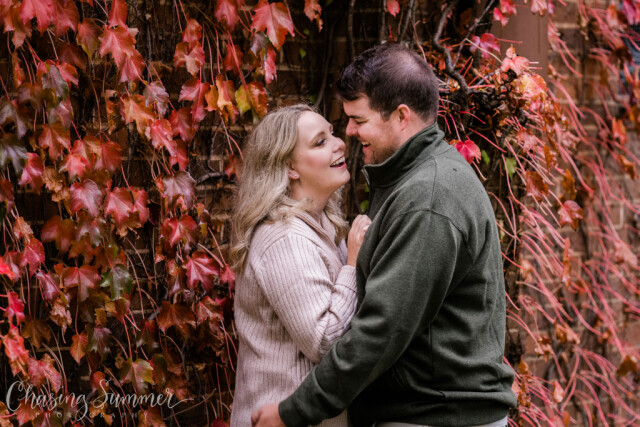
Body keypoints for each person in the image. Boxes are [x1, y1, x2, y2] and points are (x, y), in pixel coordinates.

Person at [251, 44, 517, 427]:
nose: (348, 132)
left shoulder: (428, 197)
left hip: (437, 417)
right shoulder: (411, 178)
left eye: (358, 119)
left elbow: (382, 330)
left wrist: (293, 411)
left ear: (401, 116)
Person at [229, 104, 371, 427]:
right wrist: (352, 265)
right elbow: (324, 342)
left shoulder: (321, 225)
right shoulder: (285, 239)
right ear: (290, 168)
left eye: (332, 134)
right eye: (320, 142)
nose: (339, 144)